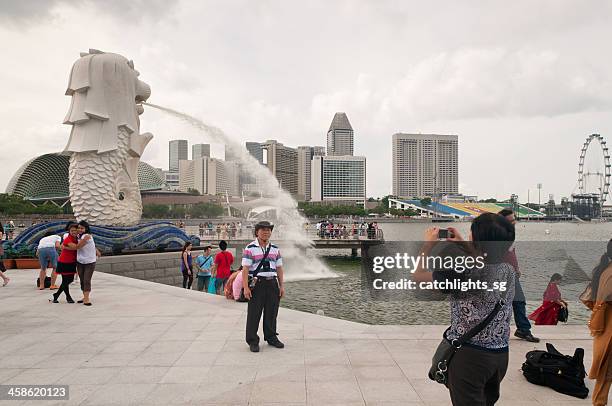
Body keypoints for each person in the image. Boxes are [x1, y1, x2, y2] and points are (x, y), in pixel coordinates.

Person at [413, 213, 516, 406]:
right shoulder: (508, 270)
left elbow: (418, 277)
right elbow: (486, 259)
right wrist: (464, 244)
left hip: (470, 358)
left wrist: (427, 245)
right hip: (500, 355)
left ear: (475, 238)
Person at [242, 221, 285, 352]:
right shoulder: (250, 248)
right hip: (257, 283)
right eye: (263, 230)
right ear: (257, 232)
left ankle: (271, 337)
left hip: (272, 283)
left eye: (268, 230)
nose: (266, 232)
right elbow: (245, 269)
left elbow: (279, 268)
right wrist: (246, 287)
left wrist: (281, 286)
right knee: (254, 313)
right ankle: (253, 340)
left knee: (272, 312)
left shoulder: (275, 249)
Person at [498, 209, 540, 342]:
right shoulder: (496, 235)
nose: (513, 222)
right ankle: (501, 330)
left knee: (518, 302)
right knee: (504, 303)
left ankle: (523, 329)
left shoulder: (510, 234)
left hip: (512, 273)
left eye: (514, 219)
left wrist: (517, 268)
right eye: (510, 220)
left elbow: (511, 253)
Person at [581, 239, 612, 406]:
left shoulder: (604, 270)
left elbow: (590, 299)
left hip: (605, 330)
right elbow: (601, 300)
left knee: (606, 373)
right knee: (606, 373)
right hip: (609, 332)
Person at [50, 223, 79, 303]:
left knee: (68, 280)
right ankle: (67, 297)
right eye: (72, 230)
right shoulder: (68, 239)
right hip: (64, 261)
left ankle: (57, 295)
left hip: (72, 261)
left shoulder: (76, 238)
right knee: (67, 280)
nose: (74, 232)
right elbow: (75, 247)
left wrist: (64, 247)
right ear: (69, 231)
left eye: (75, 230)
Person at [75, 221, 100, 306]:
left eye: (82, 228)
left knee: (86, 280)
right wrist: (96, 250)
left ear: (86, 229)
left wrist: (64, 246)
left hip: (89, 261)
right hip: (80, 261)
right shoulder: (79, 236)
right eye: (78, 228)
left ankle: (87, 299)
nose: (80, 229)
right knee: (82, 280)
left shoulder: (86, 236)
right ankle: (84, 296)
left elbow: (78, 246)